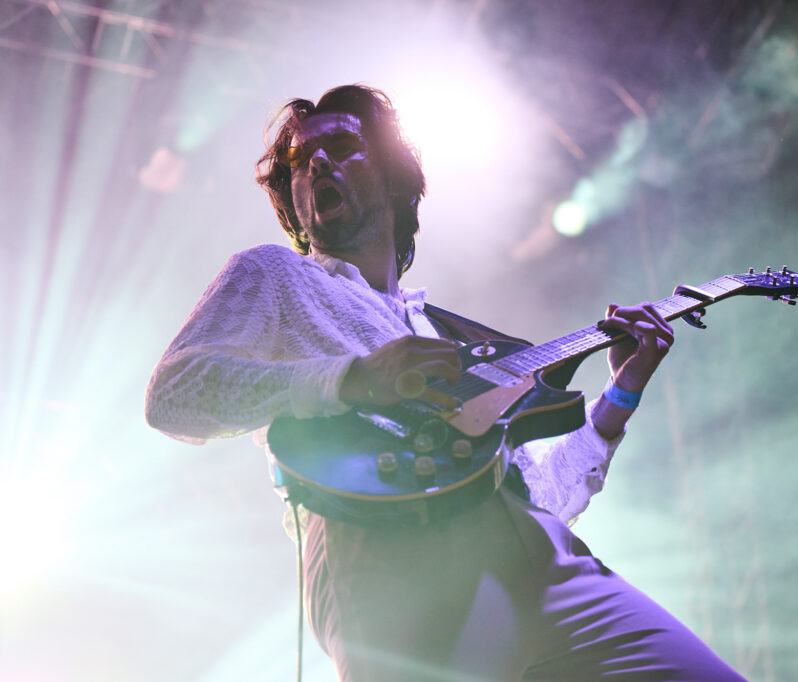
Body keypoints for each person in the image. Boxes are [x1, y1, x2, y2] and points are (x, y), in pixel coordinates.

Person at [145, 84, 746, 682]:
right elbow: (175, 395)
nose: (318, 161)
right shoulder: (277, 276)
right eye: (300, 161)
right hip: (388, 558)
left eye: (342, 145)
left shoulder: (444, 335)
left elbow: (541, 496)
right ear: (294, 200)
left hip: (541, 559)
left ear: (393, 175)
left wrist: (619, 398)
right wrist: (352, 379)